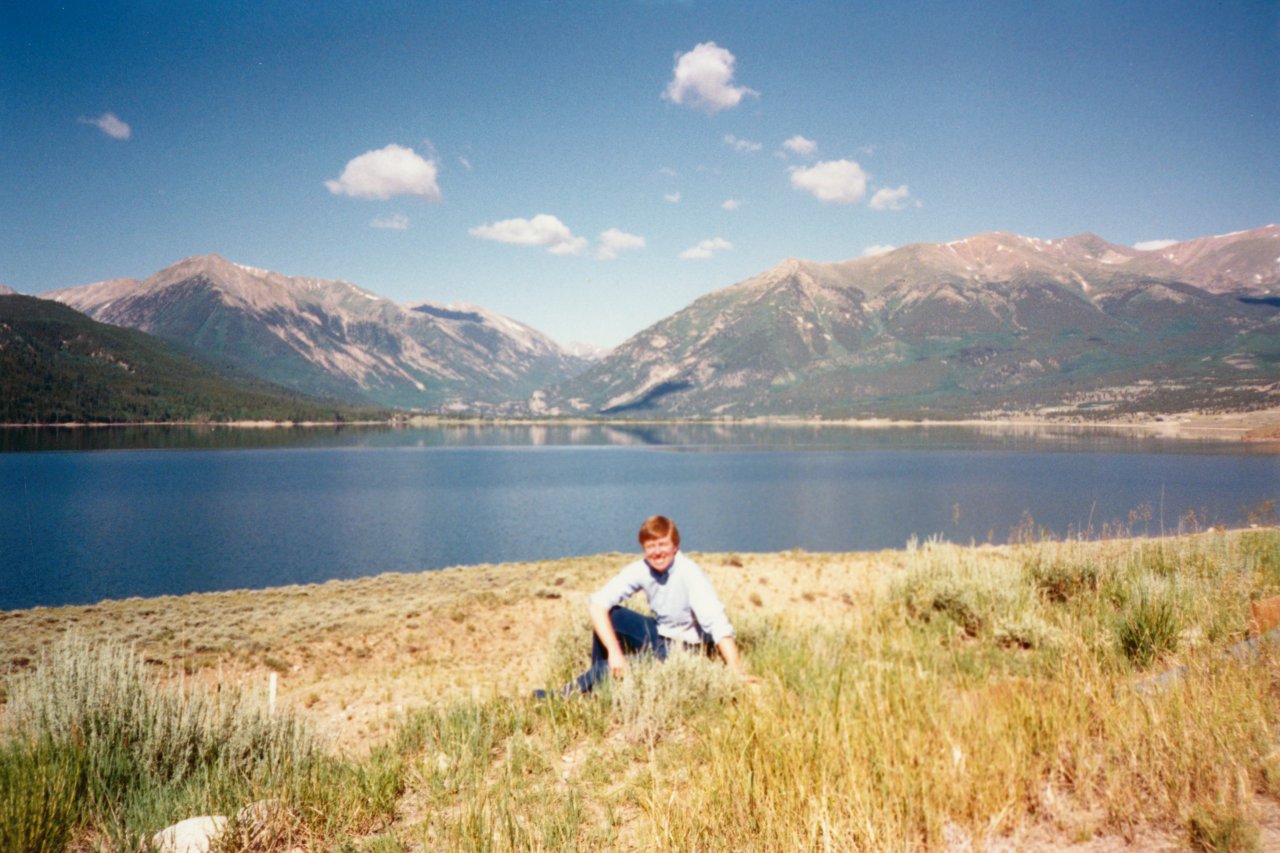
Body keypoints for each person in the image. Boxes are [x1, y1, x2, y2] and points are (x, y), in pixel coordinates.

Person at [539, 515, 752, 697]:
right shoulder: (642, 568)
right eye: (651, 546)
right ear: (644, 548)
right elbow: (597, 603)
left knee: (604, 668)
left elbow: (717, 623)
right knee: (611, 615)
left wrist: (735, 671)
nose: (657, 552)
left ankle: (562, 696)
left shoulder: (690, 573)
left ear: (675, 546)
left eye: (663, 545)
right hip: (659, 632)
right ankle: (602, 683)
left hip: (685, 648)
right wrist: (615, 652)